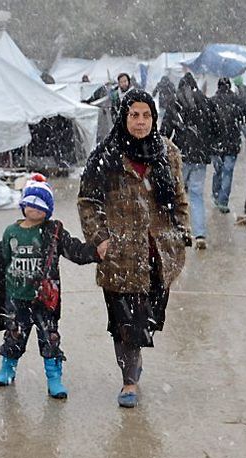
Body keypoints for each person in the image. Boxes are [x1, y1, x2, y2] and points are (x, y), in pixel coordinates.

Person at [78, 90, 191, 407]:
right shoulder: (106, 156)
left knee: (147, 319)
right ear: (123, 118)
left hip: (157, 253)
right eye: (134, 115)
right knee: (125, 324)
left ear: (154, 119)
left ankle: (135, 360)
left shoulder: (167, 153)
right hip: (120, 256)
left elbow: (179, 198)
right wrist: (100, 238)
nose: (140, 122)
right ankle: (130, 380)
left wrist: (181, 233)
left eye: (146, 115)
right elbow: (88, 202)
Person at [0, 179, 105, 399]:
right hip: (17, 297)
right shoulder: (11, 232)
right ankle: (7, 368)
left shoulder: (53, 232)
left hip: (45, 299)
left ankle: (54, 378)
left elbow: (75, 251)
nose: (33, 206)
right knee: (14, 335)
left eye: (40, 203)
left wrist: (96, 252)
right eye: (29, 201)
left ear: (48, 209)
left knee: (49, 338)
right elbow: (3, 260)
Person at [164, 72, 216, 249]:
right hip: (200, 156)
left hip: (182, 155)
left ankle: (179, 231)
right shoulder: (206, 102)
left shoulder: (175, 103)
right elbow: (215, 127)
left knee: (176, 194)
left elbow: (164, 131)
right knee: (196, 195)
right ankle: (200, 234)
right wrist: (208, 147)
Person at [209, 77, 246, 214]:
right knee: (228, 172)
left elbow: (207, 124)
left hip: (216, 144)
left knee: (218, 170)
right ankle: (223, 201)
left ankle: (216, 194)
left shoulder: (212, 101)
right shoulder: (237, 100)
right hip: (232, 143)